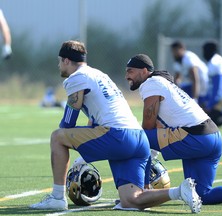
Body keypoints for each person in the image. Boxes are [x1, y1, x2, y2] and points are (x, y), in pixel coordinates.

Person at [29, 40, 201, 213]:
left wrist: (79, 157)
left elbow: (67, 123)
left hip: (118, 136)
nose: (59, 66)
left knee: (57, 137)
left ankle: (57, 198)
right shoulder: (99, 75)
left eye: (59, 61)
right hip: (139, 139)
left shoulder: (76, 78)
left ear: (66, 60)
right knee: (131, 200)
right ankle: (180, 191)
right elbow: (97, 117)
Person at [125, 54, 222, 206]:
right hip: (212, 136)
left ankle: (142, 193)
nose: (127, 76)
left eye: (130, 71)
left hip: (194, 137)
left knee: (139, 138)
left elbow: (147, 129)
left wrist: (149, 155)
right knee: (202, 195)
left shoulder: (150, 83)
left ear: (144, 71)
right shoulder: (163, 83)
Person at [171, 41, 208, 107]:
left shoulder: (188, 58)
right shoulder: (178, 61)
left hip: (203, 86)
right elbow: (176, 79)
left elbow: (195, 79)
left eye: (176, 51)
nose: (174, 53)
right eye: (173, 51)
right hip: (194, 85)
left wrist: (195, 98)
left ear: (182, 49)